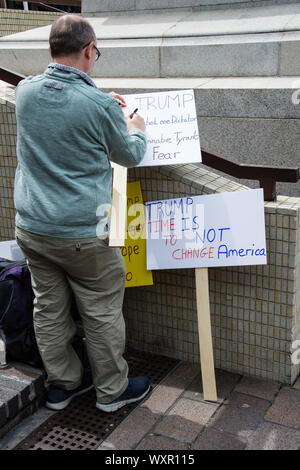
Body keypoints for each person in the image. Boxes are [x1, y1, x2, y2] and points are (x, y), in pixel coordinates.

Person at [14, 14, 150, 413]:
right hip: (83, 234)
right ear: (89, 49)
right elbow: (130, 154)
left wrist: (101, 103)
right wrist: (135, 125)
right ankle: (112, 392)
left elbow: (62, 107)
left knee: (49, 308)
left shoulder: (24, 91)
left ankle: (62, 385)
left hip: (33, 227)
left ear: (52, 49)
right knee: (102, 309)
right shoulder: (97, 106)